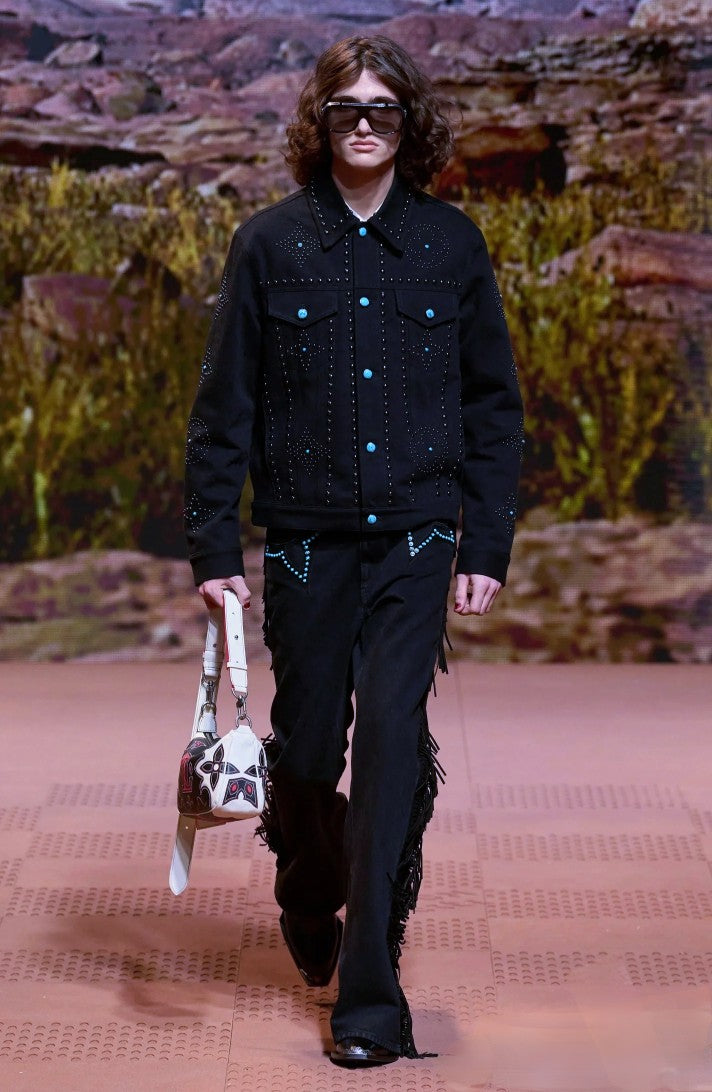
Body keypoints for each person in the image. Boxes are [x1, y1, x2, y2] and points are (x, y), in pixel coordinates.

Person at [184, 34, 523, 1068]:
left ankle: (370, 997)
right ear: (321, 122)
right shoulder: (270, 243)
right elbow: (223, 409)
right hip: (302, 548)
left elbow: (494, 405)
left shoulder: (449, 245)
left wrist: (486, 542)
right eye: (346, 109)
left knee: (387, 748)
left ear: (408, 123)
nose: (365, 124)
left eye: (383, 108)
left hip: (418, 540)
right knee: (302, 755)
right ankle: (307, 882)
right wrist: (212, 545)